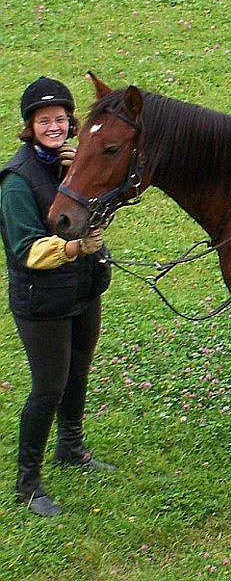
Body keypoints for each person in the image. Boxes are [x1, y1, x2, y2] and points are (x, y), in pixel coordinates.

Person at [1, 77, 113, 517]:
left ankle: (70, 448)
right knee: (48, 387)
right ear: (30, 126)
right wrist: (73, 248)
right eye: (44, 120)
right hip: (41, 300)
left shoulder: (70, 164)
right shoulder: (16, 181)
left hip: (82, 289)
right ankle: (27, 483)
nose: (54, 126)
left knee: (79, 372)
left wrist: (75, 176)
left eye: (61, 119)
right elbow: (26, 250)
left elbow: (88, 211)